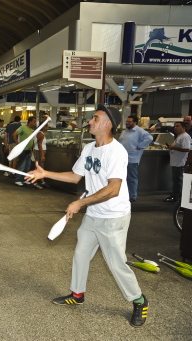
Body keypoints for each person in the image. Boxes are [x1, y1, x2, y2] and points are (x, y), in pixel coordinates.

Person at [28, 105, 149, 328]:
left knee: (116, 264)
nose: (90, 121)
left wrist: (80, 202)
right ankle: (77, 294)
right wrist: (45, 173)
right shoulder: (89, 148)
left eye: (95, 118)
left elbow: (113, 189)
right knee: (81, 255)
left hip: (113, 217)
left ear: (108, 124)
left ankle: (139, 300)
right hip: (93, 214)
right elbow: (75, 176)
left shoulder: (116, 152)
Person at [118, 115, 153, 202]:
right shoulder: (125, 131)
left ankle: (132, 196)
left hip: (132, 159)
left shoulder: (139, 131)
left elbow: (150, 138)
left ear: (135, 123)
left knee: (131, 178)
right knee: (122, 178)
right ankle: (124, 195)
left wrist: (141, 146)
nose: (127, 123)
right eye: (127, 121)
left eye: (129, 122)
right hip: (122, 159)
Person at [163, 121, 191, 202]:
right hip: (175, 162)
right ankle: (175, 195)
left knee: (178, 180)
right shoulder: (179, 136)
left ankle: (177, 197)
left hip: (180, 162)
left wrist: (174, 147)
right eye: (175, 126)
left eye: (177, 126)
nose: (175, 128)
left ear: (183, 127)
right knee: (175, 180)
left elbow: (187, 149)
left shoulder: (185, 137)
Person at [12, 116, 37, 187]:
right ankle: (18, 180)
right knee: (22, 165)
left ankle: (24, 179)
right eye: (34, 121)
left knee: (27, 166)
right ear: (30, 122)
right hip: (23, 150)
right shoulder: (23, 127)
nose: (35, 123)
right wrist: (18, 144)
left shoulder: (30, 129)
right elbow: (14, 134)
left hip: (29, 150)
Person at [32, 123, 49, 189]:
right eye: (46, 126)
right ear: (43, 127)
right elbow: (39, 144)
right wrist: (42, 155)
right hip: (39, 151)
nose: (47, 128)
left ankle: (42, 181)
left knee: (40, 167)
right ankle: (35, 182)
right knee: (39, 167)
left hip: (39, 151)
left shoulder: (39, 133)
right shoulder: (41, 134)